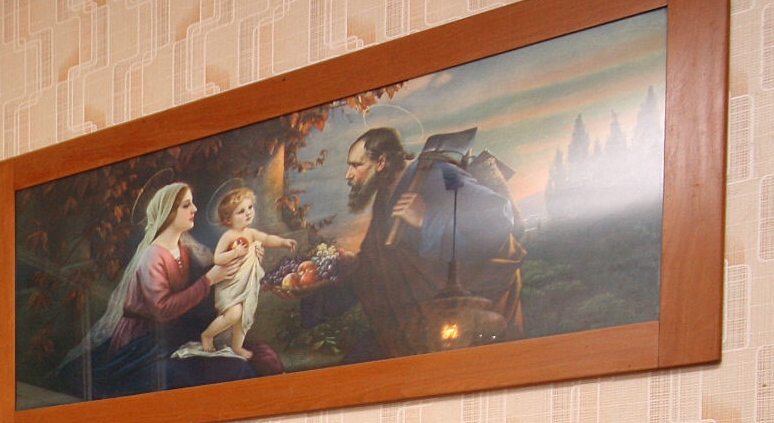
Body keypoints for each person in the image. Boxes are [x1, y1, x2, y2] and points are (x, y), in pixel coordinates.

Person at [64, 182, 279, 399]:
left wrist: (245, 261)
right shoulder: (152, 256)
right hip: (142, 345)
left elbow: (208, 283)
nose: (194, 209)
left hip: (172, 336)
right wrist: (209, 280)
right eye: (186, 205)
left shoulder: (183, 250)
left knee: (256, 360)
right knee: (229, 371)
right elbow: (162, 309)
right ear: (168, 213)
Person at [336, 126, 524, 358]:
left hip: (468, 310)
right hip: (418, 320)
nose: (348, 175)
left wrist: (426, 220)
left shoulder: (442, 173)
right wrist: (351, 265)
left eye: (356, 165)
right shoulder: (384, 197)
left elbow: (497, 218)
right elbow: (378, 262)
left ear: (381, 161)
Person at [176, 186, 295, 360]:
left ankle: (237, 347)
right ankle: (207, 335)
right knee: (233, 314)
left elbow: (268, 239)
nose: (248, 213)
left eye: (250, 207)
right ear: (228, 219)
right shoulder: (229, 236)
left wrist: (283, 242)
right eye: (241, 211)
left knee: (243, 316)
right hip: (230, 286)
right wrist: (235, 253)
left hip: (246, 285)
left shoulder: (251, 233)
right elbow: (217, 258)